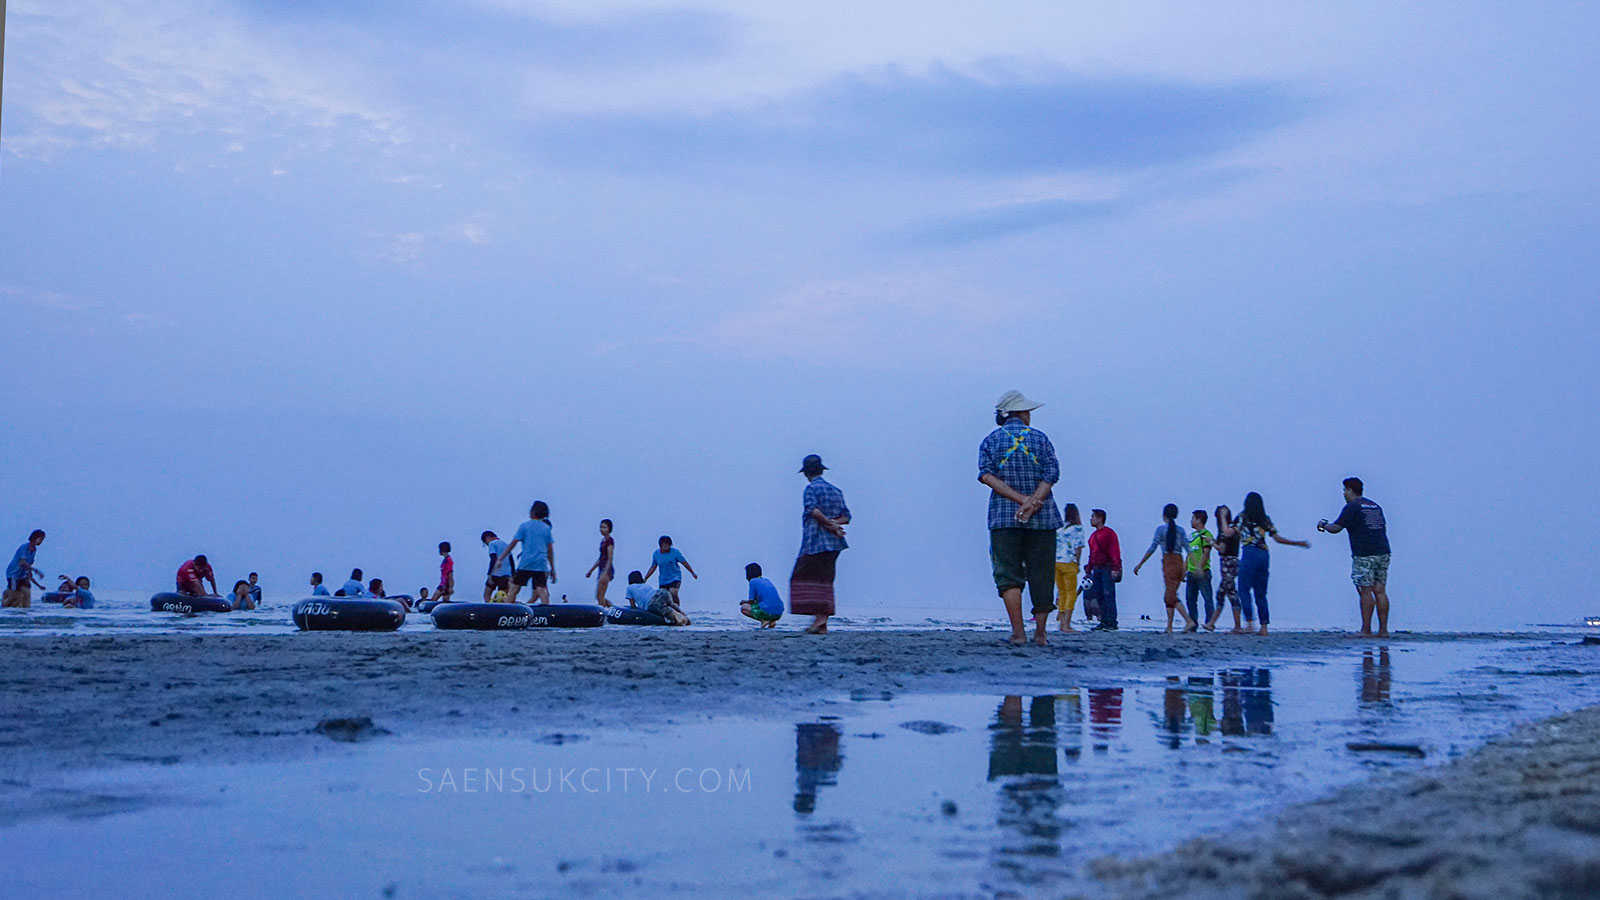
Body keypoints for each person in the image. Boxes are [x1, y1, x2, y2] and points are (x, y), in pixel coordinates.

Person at [978, 391, 1063, 647]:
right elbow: (1052, 471)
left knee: (1008, 574)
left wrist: (1019, 500)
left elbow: (986, 476)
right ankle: (1041, 634)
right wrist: (1035, 500)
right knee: (1042, 574)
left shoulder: (990, 441)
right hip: (1043, 517)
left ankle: (1018, 632)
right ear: (1022, 413)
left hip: (1004, 516)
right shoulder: (1040, 438)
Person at [1318, 476, 1393, 636]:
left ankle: (1366, 630)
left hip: (1364, 553)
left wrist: (1322, 526)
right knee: (1380, 590)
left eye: (1345, 490)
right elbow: (1383, 528)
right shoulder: (1374, 506)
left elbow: (1336, 528)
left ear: (1351, 490)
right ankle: (1383, 630)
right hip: (1383, 551)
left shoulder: (1353, 507)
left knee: (1365, 590)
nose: (1344, 494)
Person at [1235, 491, 1310, 636]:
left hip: (1249, 552)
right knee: (1261, 592)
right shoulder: (1265, 519)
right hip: (1263, 554)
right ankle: (1264, 627)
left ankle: (1250, 623)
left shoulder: (1242, 518)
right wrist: (1297, 543)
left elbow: (1229, 532)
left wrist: (1223, 518)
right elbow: (1278, 538)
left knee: (1243, 588)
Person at [792, 454, 850, 635]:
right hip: (835, 543)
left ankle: (820, 620)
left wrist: (829, 525)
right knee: (825, 580)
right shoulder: (836, 490)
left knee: (802, 578)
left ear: (806, 473)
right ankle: (821, 621)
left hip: (815, 541)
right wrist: (834, 524)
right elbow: (846, 517)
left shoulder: (811, 489)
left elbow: (814, 511)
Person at [1134, 504, 1199, 633]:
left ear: (1164, 515)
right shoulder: (1180, 530)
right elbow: (1188, 548)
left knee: (1171, 595)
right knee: (1170, 594)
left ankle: (1189, 621)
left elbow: (1152, 548)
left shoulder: (1161, 530)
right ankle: (1169, 627)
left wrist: (1140, 563)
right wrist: (1195, 565)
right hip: (1179, 561)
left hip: (1169, 562)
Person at [498, 502, 555, 605]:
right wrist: (553, 569)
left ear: (532, 512)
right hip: (540, 564)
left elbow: (512, 544)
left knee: (515, 589)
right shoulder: (546, 529)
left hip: (526, 562)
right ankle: (548, 614)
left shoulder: (524, 526)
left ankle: (508, 609)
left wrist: (500, 558)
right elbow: (550, 551)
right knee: (542, 590)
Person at [1205, 505, 1245, 633]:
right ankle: (1211, 623)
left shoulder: (1226, 531)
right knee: (1222, 593)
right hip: (1232, 562)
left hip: (1227, 563)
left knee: (1231, 593)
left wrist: (1211, 542)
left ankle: (1237, 626)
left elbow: (1222, 549)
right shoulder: (1233, 529)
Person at [1084, 510, 1122, 631]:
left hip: (1107, 567)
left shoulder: (1109, 533)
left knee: (1108, 594)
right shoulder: (1093, 536)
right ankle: (1104, 620)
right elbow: (1092, 554)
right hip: (1097, 569)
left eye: (1093, 517)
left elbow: (1114, 550)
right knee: (1100, 595)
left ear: (1100, 519)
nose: (1091, 519)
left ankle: (1111, 621)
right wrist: (1089, 569)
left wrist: (1115, 567)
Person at [1054, 504, 1087, 632]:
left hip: (1056, 562)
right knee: (1071, 593)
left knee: (1061, 592)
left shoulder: (1060, 529)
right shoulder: (1078, 529)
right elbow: (1078, 547)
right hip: (1069, 562)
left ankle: (1061, 622)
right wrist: (1077, 563)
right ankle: (1067, 624)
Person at [644, 535, 696, 607]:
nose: (666, 548)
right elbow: (653, 567)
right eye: (664, 546)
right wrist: (646, 578)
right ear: (660, 546)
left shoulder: (675, 552)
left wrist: (692, 572)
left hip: (675, 577)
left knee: (673, 592)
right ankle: (666, 612)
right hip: (663, 579)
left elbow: (684, 563)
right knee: (664, 597)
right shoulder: (656, 554)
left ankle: (677, 608)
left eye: (667, 546)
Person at [1185, 510, 1216, 629]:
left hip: (1203, 572)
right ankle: (1193, 623)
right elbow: (1188, 554)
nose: (1191, 521)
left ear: (1199, 520)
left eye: (1193, 518)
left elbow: (1206, 553)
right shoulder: (1192, 537)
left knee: (1207, 598)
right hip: (1191, 572)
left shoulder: (1206, 534)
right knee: (1190, 599)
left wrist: (1199, 568)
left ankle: (1210, 623)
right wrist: (1184, 570)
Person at [624, 570, 689, 625]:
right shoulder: (645, 585)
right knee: (671, 604)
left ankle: (678, 617)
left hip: (651, 601)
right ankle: (683, 614)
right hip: (662, 591)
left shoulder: (629, 588)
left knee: (664, 609)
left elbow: (632, 605)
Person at [4, 530, 47, 608]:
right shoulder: (24, 547)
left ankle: (25, 609)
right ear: (35, 538)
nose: (41, 542)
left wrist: (37, 583)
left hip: (22, 574)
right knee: (14, 593)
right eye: (41, 539)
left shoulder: (34, 550)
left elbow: (29, 564)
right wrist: (36, 570)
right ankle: (5, 606)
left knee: (26, 592)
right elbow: (22, 563)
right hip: (14, 574)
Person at [742, 562, 784, 627]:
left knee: (744, 607)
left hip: (767, 612)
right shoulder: (767, 580)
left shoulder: (753, 582)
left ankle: (763, 620)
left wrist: (744, 601)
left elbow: (751, 601)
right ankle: (772, 621)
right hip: (779, 613)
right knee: (761, 606)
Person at [585, 519, 616, 607]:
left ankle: (604, 614)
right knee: (598, 595)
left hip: (606, 569)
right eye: (601, 527)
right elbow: (600, 558)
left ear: (609, 529)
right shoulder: (603, 541)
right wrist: (591, 570)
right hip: (601, 568)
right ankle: (612, 609)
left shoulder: (610, 541)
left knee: (600, 595)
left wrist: (606, 572)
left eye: (604, 527)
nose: (602, 529)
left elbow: (610, 558)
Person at [481, 530, 512, 601]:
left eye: (486, 543)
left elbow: (493, 559)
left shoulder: (492, 544)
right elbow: (511, 561)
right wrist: (512, 575)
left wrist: (489, 574)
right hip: (506, 574)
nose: (487, 545)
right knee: (502, 596)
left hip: (495, 573)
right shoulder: (506, 544)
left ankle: (489, 610)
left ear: (488, 538)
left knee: (486, 596)